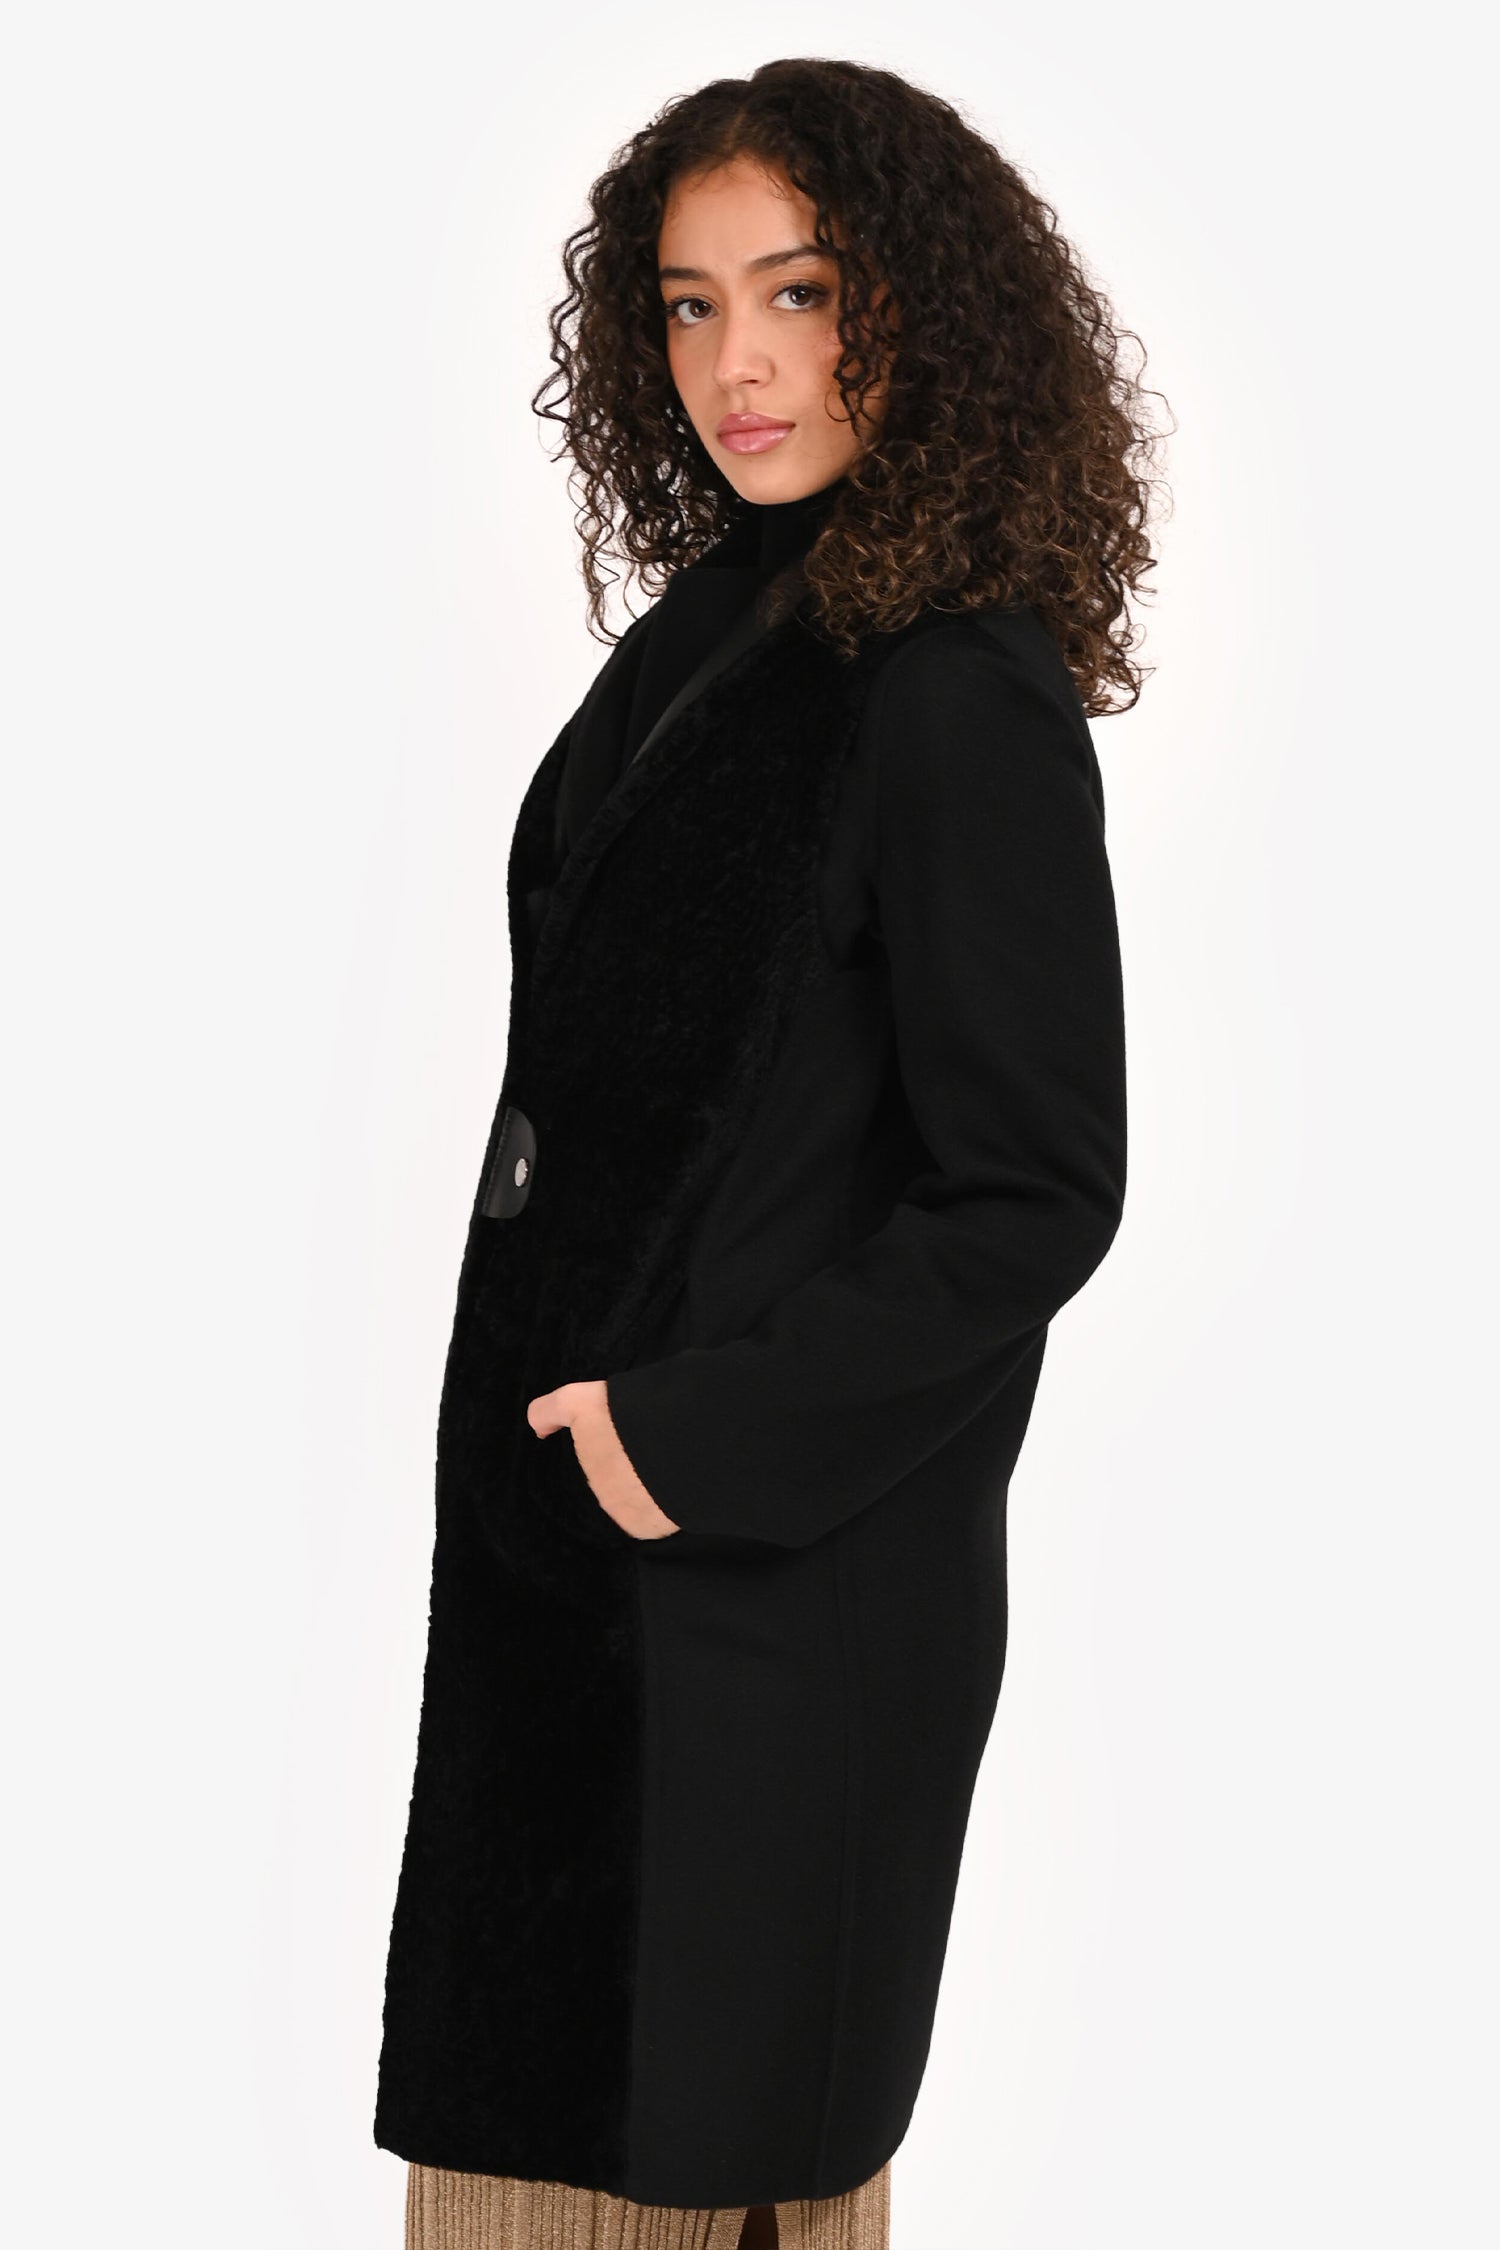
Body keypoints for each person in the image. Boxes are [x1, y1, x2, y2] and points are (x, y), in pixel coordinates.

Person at [375, 54, 1164, 2250]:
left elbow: (1035, 1185)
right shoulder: (727, 630)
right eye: (691, 305)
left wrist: (689, 1443)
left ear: (921, 313)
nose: (740, 361)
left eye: (800, 295)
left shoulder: (953, 687)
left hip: (757, 1632)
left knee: (689, 2191)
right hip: (573, 1607)